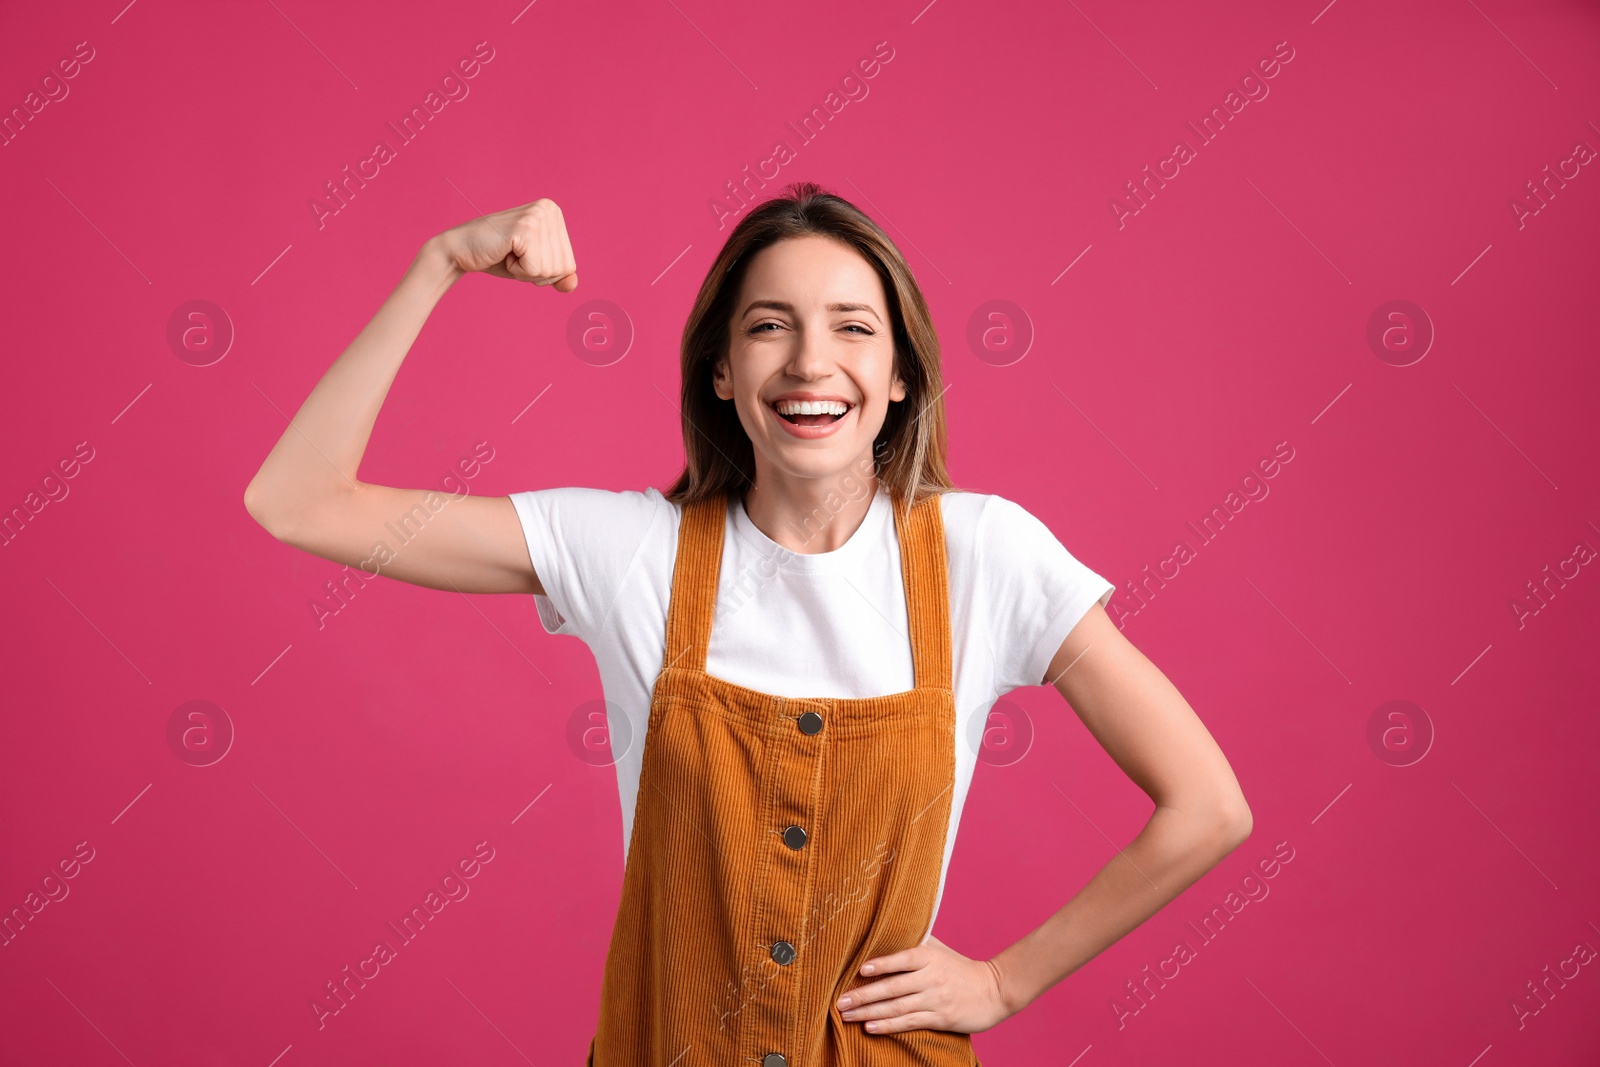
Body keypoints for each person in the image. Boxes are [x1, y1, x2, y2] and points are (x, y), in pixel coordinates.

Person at [244, 183, 1252, 1065]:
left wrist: (1004, 981)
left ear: (902, 374)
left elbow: (1207, 804)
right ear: (722, 369)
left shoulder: (984, 555)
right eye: (770, 325)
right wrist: (440, 263)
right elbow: (300, 502)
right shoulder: (628, 549)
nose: (811, 362)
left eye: (854, 328)